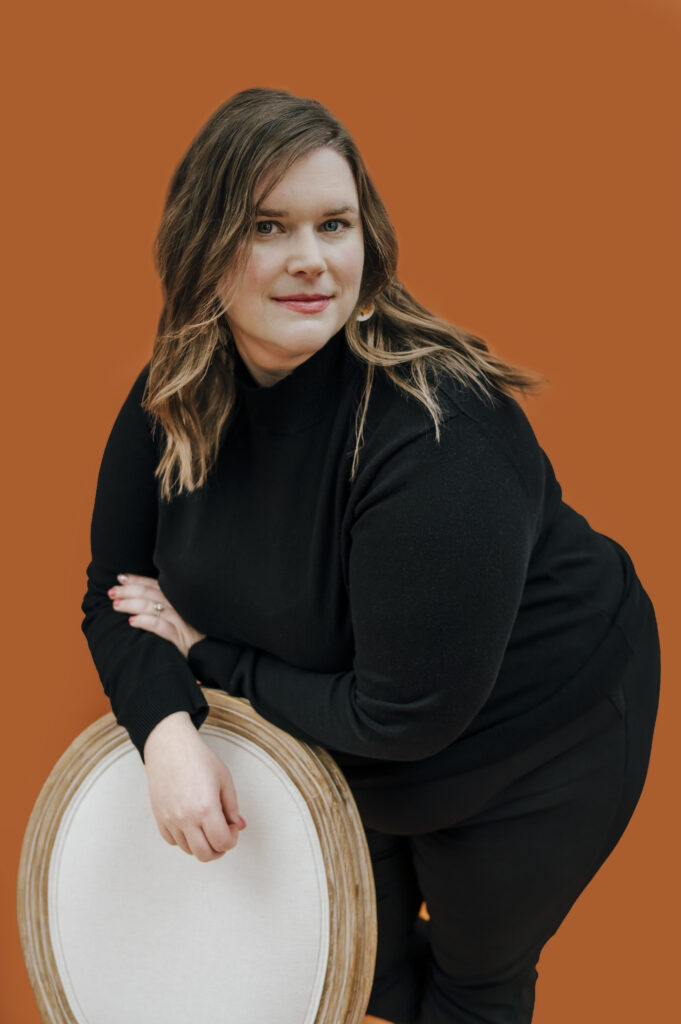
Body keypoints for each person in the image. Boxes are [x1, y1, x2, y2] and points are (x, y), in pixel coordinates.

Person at [80, 87, 661, 1024]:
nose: (311, 261)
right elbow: (115, 593)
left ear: (367, 239)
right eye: (268, 226)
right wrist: (165, 732)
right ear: (203, 245)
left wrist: (206, 659)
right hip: (334, 719)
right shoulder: (174, 395)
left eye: (334, 224)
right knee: (343, 964)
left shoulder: (437, 434)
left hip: (536, 738)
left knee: (474, 985)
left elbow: (403, 716)